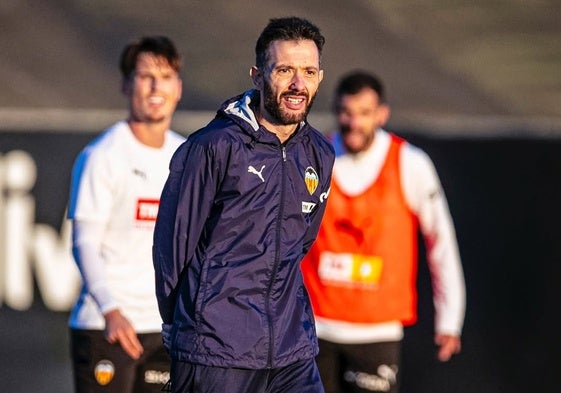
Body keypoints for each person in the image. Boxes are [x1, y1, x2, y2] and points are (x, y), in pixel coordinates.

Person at [152, 16, 334, 393]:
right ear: (257, 74)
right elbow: (172, 247)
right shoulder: (213, 146)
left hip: (291, 352)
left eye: (308, 71)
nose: (298, 84)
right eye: (284, 70)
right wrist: (180, 327)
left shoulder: (320, 153)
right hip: (216, 352)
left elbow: (300, 243)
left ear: (320, 77)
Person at [300, 71, 466, 393]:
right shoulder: (316, 157)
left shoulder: (410, 163)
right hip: (314, 328)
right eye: (347, 112)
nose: (354, 123)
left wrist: (449, 318)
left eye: (364, 113)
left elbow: (440, 241)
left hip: (377, 333)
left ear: (381, 114)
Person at [67, 35, 185, 392]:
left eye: (164, 76)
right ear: (125, 84)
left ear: (178, 87)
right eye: (144, 75)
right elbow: (84, 242)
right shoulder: (102, 155)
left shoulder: (187, 155)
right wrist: (110, 311)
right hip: (109, 328)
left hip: (165, 329)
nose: (155, 86)